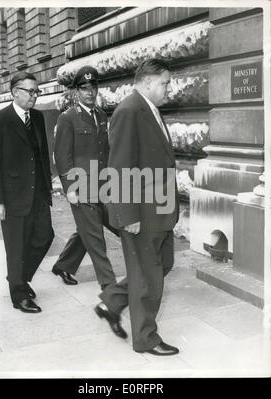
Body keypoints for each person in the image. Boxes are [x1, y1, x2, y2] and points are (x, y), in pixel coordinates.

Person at [95, 59, 180, 355]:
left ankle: (113, 302)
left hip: (157, 209)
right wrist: (128, 214)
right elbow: (119, 166)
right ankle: (146, 339)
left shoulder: (149, 109)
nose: (169, 88)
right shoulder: (129, 110)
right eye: (165, 82)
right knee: (148, 276)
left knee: (162, 264)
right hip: (140, 212)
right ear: (146, 82)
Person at [0, 72, 54, 313]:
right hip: (12, 197)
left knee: (45, 236)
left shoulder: (39, 117)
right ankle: (19, 295)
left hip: (39, 193)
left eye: (37, 91)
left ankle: (18, 278)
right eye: (30, 91)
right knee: (16, 247)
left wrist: (48, 185)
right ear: (14, 92)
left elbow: (42, 154)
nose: (35, 96)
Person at [53, 65, 118, 291]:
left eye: (93, 87)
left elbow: (104, 151)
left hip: (101, 185)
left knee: (87, 229)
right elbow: (62, 157)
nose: (90, 92)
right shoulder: (68, 118)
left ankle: (63, 264)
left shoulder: (100, 115)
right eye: (84, 88)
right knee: (95, 236)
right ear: (76, 92)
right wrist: (70, 188)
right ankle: (109, 284)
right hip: (81, 186)